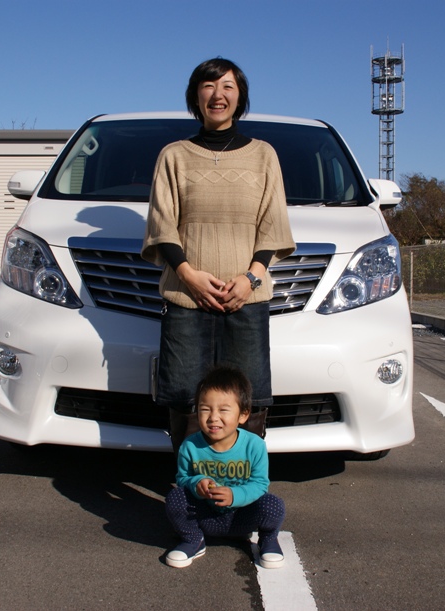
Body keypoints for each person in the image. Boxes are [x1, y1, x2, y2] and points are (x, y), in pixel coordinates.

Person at [141, 57, 295, 453]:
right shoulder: (174, 155)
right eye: (208, 86)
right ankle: (192, 480)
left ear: (240, 97)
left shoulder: (263, 155)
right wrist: (188, 275)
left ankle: (241, 480)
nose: (218, 94)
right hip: (185, 298)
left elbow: (272, 223)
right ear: (196, 96)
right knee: (184, 394)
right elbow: (162, 224)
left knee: (248, 395)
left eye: (228, 86)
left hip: (246, 299)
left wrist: (251, 278)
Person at [164, 366, 285, 569]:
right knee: (175, 498)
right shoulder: (190, 445)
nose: (213, 417)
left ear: (243, 415)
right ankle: (193, 539)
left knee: (273, 504)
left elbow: (260, 484)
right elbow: (182, 479)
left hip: (241, 518)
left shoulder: (254, 445)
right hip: (205, 517)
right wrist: (197, 483)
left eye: (223, 410)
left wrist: (235, 495)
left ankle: (268, 539)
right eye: (205, 409)